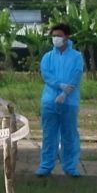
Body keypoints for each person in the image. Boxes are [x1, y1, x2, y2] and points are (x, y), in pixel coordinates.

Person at [37, 22, 85, 177]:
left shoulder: (76, 56)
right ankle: (46, 166)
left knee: (69, 134)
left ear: (66, 37)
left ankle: (70, 167)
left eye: (59, 35)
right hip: (50, 100)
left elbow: (76, 74)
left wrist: (66, 92)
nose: (56, 39)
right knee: (49, 134)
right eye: (54, 36)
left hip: (69, 102)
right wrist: (59, 85)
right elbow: (46, 75)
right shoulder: (47, 57)